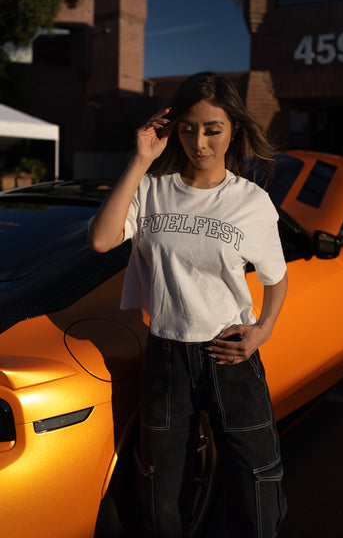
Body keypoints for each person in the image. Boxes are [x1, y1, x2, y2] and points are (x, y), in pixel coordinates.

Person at [88, 72, 288, 538]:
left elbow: (277, 278)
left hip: (229, 354)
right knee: (160, 487)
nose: (200, 142)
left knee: (256, 479)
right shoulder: (152, 189)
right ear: (173, 129)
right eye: (188, 128)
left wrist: (263, 330)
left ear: (233, 129)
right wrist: (140, 160)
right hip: (166, 356)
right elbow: (100, 240)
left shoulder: (251, 201)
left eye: (213, 129)